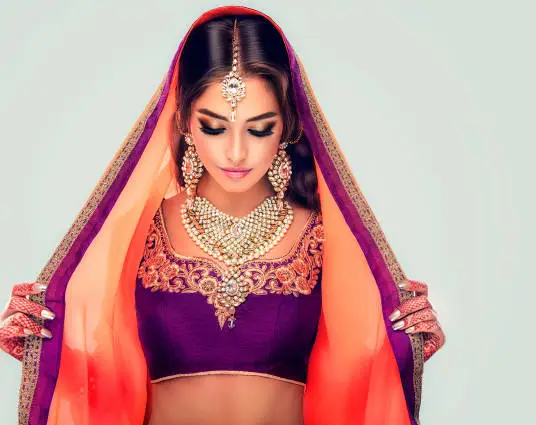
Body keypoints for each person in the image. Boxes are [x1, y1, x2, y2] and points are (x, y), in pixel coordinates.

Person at [0, 6, 445, 425]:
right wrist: (44, 345)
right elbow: (105, 369)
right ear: (184, 121)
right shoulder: (137, 230)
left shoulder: (328, 238)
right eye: (214, 127)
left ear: (289, 124)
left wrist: (402, 344)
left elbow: (352, 378)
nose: (236, 152)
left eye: (259, 128)